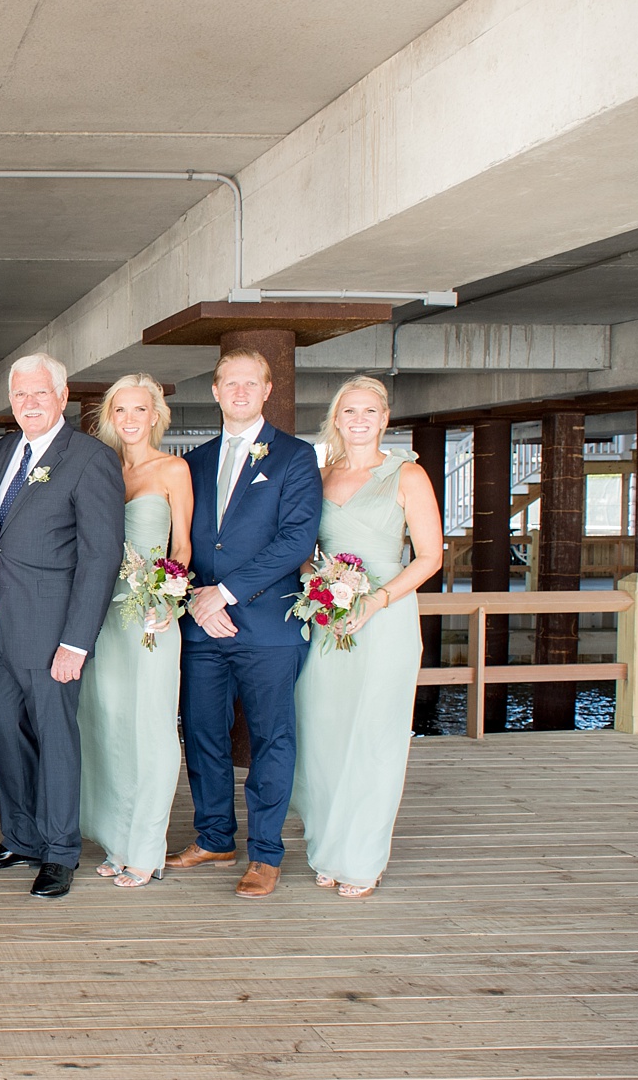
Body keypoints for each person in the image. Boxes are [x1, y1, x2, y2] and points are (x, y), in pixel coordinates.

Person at [0, 353, 123, 899]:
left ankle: (59, 852)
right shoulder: (3, 450)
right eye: (19, 395)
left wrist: (76, 641)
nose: (28, 403)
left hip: (54, 630)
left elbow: (101, 557)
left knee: (56, 740)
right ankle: (21, 837)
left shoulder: (90, 458)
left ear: (62, 396)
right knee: (5, 738)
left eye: (39, 394)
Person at [169, 349, 323, 899]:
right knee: (203, 735)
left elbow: (296, 541)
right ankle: (213, 837)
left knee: (270, 739)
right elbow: (179, 543)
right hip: (201, 630)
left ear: (266, 390)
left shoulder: (295, 456)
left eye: (249, 383)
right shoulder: (193, 461)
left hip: (266, 625)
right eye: (229, 382)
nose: (238, 391)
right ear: (214, 391)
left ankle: (266, 854)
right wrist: (194, 601)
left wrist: (224, 595)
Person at [293, 376, 442, 898]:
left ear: (384, 419)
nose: (359, 419)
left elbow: (430, 557)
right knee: (324, 733)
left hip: (387, 617)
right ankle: (329, 846)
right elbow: (307, 550)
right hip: (329, 619)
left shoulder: (408, 475)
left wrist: (376, 600)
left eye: (370, 411)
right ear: (337, 418)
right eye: (349, 410)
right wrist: (320, 586)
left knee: (374, 737)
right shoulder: (321, 474)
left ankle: (362, 857)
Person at [79, 374, 193, 888]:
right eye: (120, 410)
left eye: (139, 410)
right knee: (105, 725)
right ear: (109, 416)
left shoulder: (173, 469)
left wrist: (167, 598)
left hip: (149, 615)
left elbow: (182, 547)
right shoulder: (100, 469)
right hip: (101, 615)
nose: (129, 419)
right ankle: (116, 840)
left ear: (155, 416)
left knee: (150, 730)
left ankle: (146, 849)